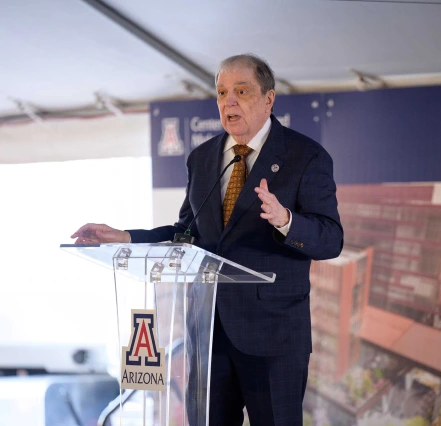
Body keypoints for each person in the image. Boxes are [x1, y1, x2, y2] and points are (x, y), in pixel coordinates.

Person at [71, 53, 343, 426]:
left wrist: (286, 220)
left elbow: (331, 239)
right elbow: (187, 231)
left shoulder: (305, 156)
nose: (228, 101)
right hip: (209, 336)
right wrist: (127, 236)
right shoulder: (203, 158)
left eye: (241, 91)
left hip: (274, 337)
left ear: (269, 99)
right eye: (221, 92)